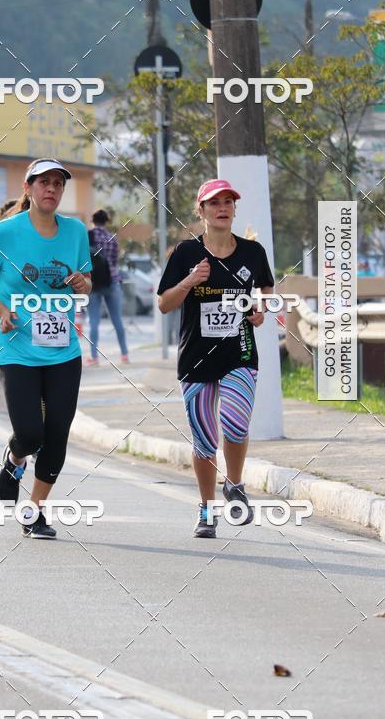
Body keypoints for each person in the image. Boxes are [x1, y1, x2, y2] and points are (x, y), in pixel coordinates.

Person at [157, 179, 274, 539]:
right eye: (214, 203)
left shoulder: (252, 252)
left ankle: (235, 484)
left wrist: (261, 308)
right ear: (201, 210)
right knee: (205, 440)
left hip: (239, 352)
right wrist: (190, 281)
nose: (222, 208)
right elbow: (164, 304)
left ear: (234, 209)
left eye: (228, 202)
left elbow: (266, 289)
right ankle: (207, 510)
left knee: (236, 424)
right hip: (196, 359)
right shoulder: (185, 254)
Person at [0, 158, 92, 540]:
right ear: (29, 187)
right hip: (17, 346)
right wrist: (2, 310)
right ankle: (16, 458)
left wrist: (84, 284)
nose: (51, 189)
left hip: (63, 349)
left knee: (58, 433)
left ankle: (34, 511)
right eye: (44, 182)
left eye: (58, 184)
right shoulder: (6, 232)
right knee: (31, 433)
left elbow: (86, 280)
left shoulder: (75, 231)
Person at [86, 209, 129, 365]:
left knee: (94, 321)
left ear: (93, 220)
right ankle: (124, 354)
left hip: (93, 283)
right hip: (112, 281)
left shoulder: (88, 235)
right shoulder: (112, 238)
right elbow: (115, 262)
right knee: (117, 319)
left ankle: (94, 357)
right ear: (106, 222)